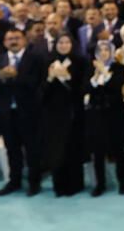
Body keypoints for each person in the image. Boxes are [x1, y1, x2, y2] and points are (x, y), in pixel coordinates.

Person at [0, 27, 46, 196]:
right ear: (4, 42)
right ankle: (14, 181)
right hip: (5, 112)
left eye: (17, 38)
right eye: (10, 38)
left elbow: (37, 83)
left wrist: (16, 76)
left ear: (24, 40)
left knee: (32, 148)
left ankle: (34, 182)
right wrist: (1, 77)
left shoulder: (35, 59)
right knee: (12, 149)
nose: (13, 41)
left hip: (29, 111)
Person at [85, 40, 124, 196]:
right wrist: (96, 74)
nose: (103, 52)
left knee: (118, 150)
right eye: (100, 50)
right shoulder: (91, 69)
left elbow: (115, 86)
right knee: (98, 152)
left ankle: (122, 182)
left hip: (115, 114)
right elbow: (86, 89)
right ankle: (100, 184)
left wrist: (103, 73)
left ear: (111, 52)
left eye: (107, 49)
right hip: (96, 116)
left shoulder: (119, 68)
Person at [42, 33, 86, 197]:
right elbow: (40, 93)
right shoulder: (47, 62)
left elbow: (82, 90)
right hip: (53, 115)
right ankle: (59, 186)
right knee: (56, 151)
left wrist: (67, 77)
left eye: (67, 42)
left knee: (73, 149)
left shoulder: (80, 62)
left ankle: (75, 185)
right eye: (60, 42)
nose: (64, 45)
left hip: (73, 113)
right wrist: (50, 78)